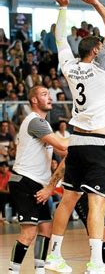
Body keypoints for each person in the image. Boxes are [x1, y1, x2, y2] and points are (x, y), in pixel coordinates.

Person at [46, 0, 105, 273]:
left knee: (68, 199)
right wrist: (96, 3)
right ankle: (96, 262)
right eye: (102, 46)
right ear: (97, 50)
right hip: (98, 141)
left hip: (75, 141)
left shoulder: (69, 66)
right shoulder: (102, 66)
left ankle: (54, 254)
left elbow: (59, 37)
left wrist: (62, 9)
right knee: (97, 201)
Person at [37, 109, 105, 274]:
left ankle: (95, 262)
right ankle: (99, 265)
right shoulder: (93, 136)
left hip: (102, 192)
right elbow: (65, 163)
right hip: (85, 196)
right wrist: (51, 186)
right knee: (104, 235)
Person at [7, 86, 67, 274]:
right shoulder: (35, 122)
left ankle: (40, 271)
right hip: (25, 181)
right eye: (44, 95)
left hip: (37, 183)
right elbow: (62, 144)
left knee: (45, 229)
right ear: (34, 100)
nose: (49, 98)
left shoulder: (45, 125)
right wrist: (86, 138)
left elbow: (63, 151)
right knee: (29, 232)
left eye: (49, 94)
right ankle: (12, 272)